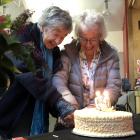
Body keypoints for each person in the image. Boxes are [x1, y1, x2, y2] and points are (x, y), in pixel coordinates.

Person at [0, 6, 75, 139]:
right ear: (43, 25)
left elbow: (50, 84)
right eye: (56, 33)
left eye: (63, 37)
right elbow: (29, 73)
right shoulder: (22, 34)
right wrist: (59, 102)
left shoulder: (55, 53)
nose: (58, 41)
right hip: (16, 114)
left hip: (39, 116)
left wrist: (61, 112)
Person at [52, 9, 122, 111]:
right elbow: (58, 80)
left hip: (100, 116)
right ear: (78, 36)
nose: (88, 44)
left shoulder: (111, 55)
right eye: (84, 39)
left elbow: (114, 86)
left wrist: (99, 105)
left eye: (93, 39)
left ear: (100, 36)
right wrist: (68, 99)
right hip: (73, 114)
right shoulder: (67, 53)